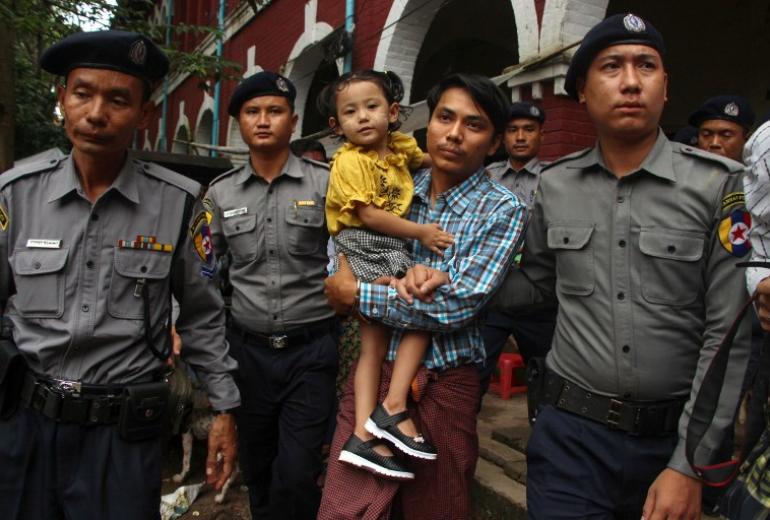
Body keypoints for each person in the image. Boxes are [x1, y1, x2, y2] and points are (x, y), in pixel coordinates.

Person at [494, 13, 751, 519]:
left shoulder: (720, 185)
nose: (631, 81)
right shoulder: (556, 185)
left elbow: (728, 334)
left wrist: (689, 464)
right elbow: (534, 288)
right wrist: (445, 277)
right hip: (571, 437)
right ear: (583, 93)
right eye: (611, 66)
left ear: (665, 87)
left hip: (676, 440)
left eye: (646, 66)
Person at [0, 30, 240, 520]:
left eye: (117, 100)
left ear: (144, 114)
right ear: (62, 98)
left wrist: (223, 409)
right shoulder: (13, 196)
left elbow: (202, 317)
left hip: (123, 441)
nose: (95, 113)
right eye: (82, 93)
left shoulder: (178, 205)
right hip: (25, 429)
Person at [319, 72, 526, 519]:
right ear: (426, 124)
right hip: (374, 373)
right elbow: (341, 255)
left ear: (493, 144)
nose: (453, 133)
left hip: (445, 381)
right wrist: (343, 282)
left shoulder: (501, 207)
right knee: (345, 508)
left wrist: (358, 293)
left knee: (438, 507)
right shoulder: (397, 184)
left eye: (473, 124)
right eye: (444, 117)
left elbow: (457, 303)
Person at [205, 71, 337, 520]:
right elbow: (204, 277)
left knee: (298, 472)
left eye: (275, 111)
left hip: (311, 351)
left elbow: (350, 255)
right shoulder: (218, 195)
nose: (264, 121)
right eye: (252, 112)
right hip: (248, 355)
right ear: (239, 123)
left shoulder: (326, 183)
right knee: (258, 468)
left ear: (293, 121)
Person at [318, 69, 452, 479]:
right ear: (336, 125)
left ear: (392, 112)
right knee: (417, 304)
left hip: (387, 246)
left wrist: (451, 158)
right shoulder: (349, 162)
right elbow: (369, 215)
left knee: (374, 346)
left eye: (371, 107)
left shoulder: (397, 148)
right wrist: (422, 233)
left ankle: (365, 432)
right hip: (362, 243)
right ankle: (387, 412)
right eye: (350, 112)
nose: (362, 117)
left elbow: (429, 159)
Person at [481, 101, 556, 398]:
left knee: (548, 383)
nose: (521, 137)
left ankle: (545, 439)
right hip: (492, 299)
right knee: (474, 377)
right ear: (503, 137)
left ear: (542, 135)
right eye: (513, 130)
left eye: (529, 130)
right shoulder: (487, 177)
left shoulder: (555, 179)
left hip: (541, 301)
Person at [690, 95, 755, 162]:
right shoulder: (684, 171)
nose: (714, 143)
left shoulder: (758, 172)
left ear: (747, 139)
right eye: (706, 134)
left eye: (726, 135)